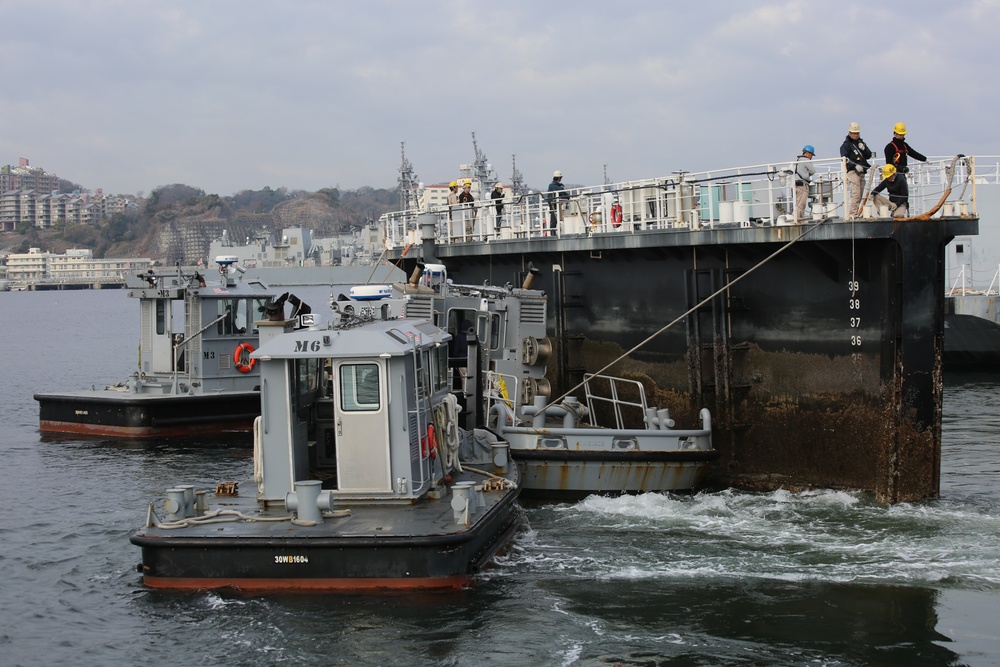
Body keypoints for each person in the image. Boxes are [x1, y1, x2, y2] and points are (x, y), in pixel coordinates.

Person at [840, 122, 873, 217]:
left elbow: (868, 155)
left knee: (860, 192)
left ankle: (856, 212)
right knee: (856, 192)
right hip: (852, 171)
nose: (855, 135)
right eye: (854, 133)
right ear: (850, 133)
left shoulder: (861, 143)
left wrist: (864, 149)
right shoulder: (846, 145)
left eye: (857, 133)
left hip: (862, 171)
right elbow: (844, 158)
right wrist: (854, 166)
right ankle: (853, 213)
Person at [793, 145, 816, 222]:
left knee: (797, 203)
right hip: (802, 185)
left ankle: (797, 218)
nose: (811, 157)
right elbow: (813, 171)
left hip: (795, 185)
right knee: (801, 204)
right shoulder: (806, 160)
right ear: (808, 153)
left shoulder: (798, 160)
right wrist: (807, 174)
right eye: (812, 155)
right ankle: (798, 221)